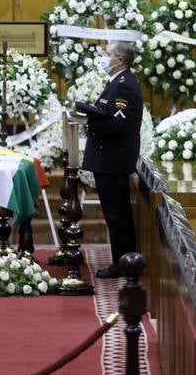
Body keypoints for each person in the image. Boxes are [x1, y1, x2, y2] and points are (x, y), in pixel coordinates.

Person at [76, 40, 143, 279]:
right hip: (109, 158)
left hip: (113, 160)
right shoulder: (117, 81)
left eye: (108, 54)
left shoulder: (124, 85)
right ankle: (124, 261)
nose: (104, 58)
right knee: (115, 214)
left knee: (117, 216)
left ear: (120, 60)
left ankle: (123, 264)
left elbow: (119, 123)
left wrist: (90, 120)